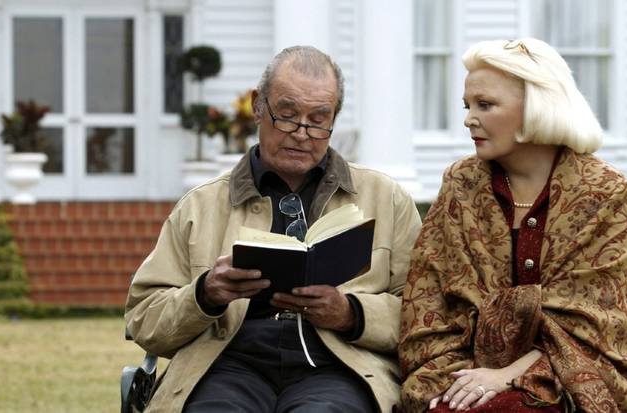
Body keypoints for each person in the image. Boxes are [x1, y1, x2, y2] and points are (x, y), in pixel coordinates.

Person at [125, 45, 422, 412]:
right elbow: (143, 318)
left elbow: (425, 315)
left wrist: (351, 313)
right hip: (226, 365)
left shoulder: (387, 200)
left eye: (318, 119)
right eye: (287, 114)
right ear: (258, 107)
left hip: (339, 367)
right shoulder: (201, 206)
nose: (302, 132)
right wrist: (205, 295)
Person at [398, 38, 627, 413]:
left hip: (570, 383)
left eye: (485, 105)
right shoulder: (460, 184)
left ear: (536, 107)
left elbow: (598, 325)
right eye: (468, 105)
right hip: (463, 374)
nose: (468, 119)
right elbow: (431, 299)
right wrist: (467, 377)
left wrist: (507, 376)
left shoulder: (604, 193)